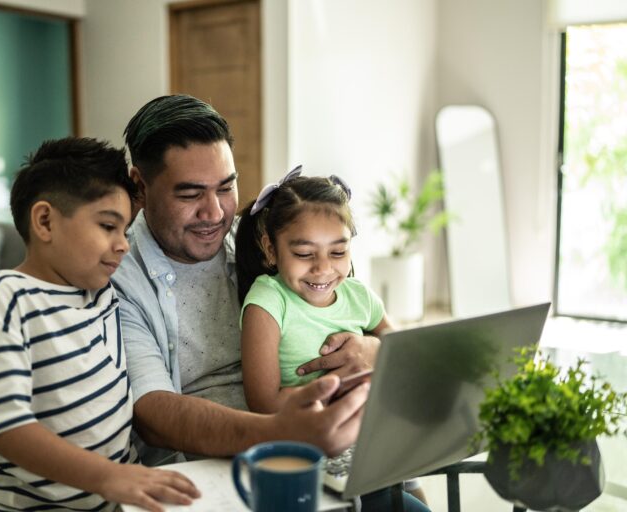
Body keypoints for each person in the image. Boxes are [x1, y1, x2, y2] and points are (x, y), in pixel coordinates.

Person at [113, 95, 429, 511]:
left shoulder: (257, 239)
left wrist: (372, 350)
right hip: (221, 469)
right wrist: (286, 430)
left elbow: (346, 306)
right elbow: (154, 415)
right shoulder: (118, 278)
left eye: (226, 187)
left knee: (410, 498)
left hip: (319, 433)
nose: (215, 212)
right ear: (140, 187)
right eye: (190, 194)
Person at [0, 137, 200, 512]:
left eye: (125, 231)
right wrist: (108, 477)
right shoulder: (5, 298)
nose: (123, 244)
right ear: (45, 221)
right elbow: (2, 426)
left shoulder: (102, 295)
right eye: (107, 226)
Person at [235, 167, 428, 507]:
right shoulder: (268, 300)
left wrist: (378, 354)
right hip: (311, 446)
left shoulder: (358, 295)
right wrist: (337, 392)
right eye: (304, 254)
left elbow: (402, 354)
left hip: (371, 438)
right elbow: (263, 403)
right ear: (271, 249)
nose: (323, 268)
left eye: (338, 252)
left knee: (413, 493)